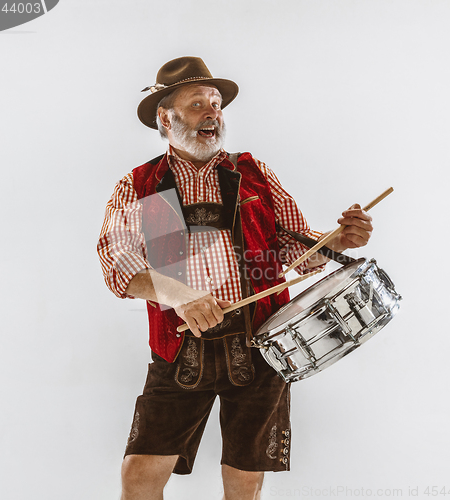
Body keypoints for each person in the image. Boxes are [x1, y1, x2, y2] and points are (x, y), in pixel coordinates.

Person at [97, 56, 373, 500]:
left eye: (216, 103)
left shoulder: (252, 173)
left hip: (260, 346)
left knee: (244, 481)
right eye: (197, 104)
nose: (212, 112)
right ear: (166, 118)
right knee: (141, 474)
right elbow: (117, 261)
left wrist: (337, 240)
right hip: (180, 350)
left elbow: (294, 245)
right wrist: (180, 294)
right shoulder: (143, 185)